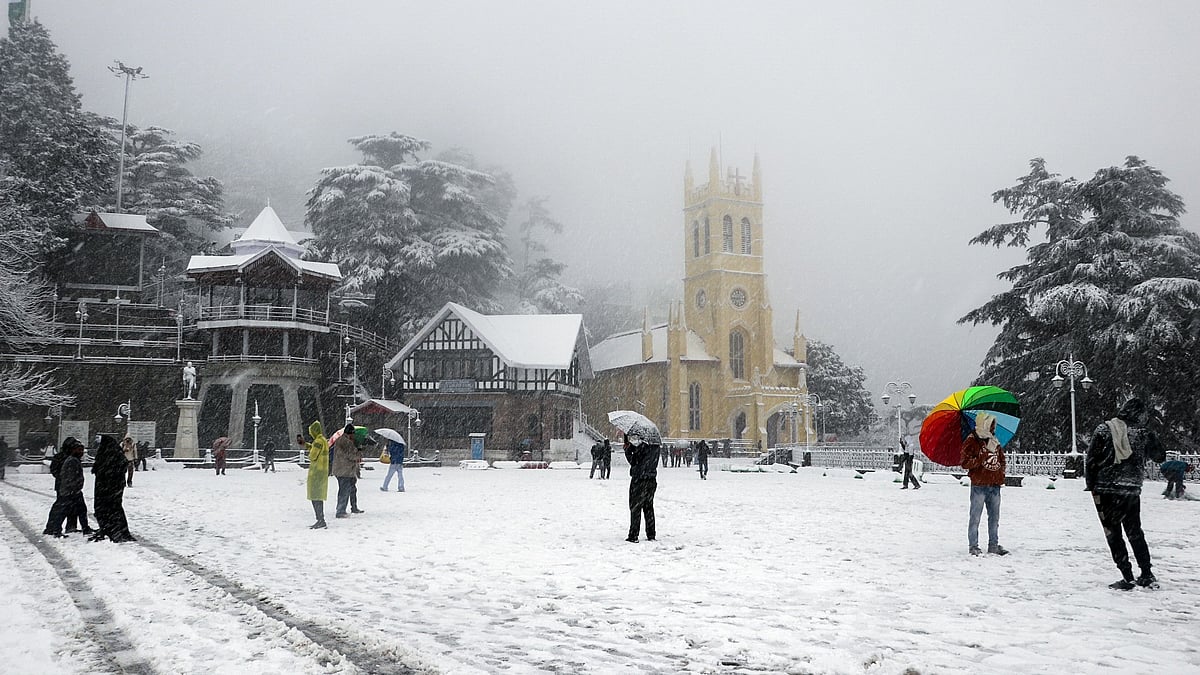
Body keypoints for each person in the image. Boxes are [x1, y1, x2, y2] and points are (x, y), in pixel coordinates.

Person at [1085, 397, 1166, 590]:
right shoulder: (1144, 433)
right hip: (1130, 489)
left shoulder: (1104, 429)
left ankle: (1127, 576)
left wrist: (1091, 485)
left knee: (1113, 534)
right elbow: (1160, 456)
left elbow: (1091, 460)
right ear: (1140, 414)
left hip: (1105, 489)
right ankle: (1146, 573)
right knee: (1135, 532)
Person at [961, 412, 1007, 556]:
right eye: (991, 425)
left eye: (994, 425)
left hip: (994, 485)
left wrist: (1001, 472)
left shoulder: (994, 440)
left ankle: (993, 545)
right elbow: (965, 463)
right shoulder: (972, 441)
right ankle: (973, 545)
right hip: (979, 485)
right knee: (975, 517)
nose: (993, 428)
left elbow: (1001, 458)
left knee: (994, 518)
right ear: (984, 425)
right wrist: (981, 457)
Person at [91, 434, 135, 542]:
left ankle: (110, 530)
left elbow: (105, 470)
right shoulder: (115, 454)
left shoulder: (107, 455)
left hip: (107, 487)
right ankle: (116, 530)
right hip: (113, 487)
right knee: (115, 508)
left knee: (107, 509)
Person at [44, 437, 87, 537]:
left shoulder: (69, 456)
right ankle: (55, 528)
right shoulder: (66, 457)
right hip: (65, 486)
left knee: (70, 507)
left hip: (68, 485)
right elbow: (56, 470)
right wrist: (64, 478)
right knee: (62, 508)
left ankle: (67, 526)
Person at [624, 431, 660, 543]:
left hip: (639, 480)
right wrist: (632, 447)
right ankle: (651, 534)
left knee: (635, 507)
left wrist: (627, 450)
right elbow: (643, 456)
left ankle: (633, 535)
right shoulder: (656, 448)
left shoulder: (642, 447)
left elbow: (634, 461)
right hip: (651, 480)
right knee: (648, 507)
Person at [331, 423, 362, 518]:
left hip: (344, 470)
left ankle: (353, 507)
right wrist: (359, 451)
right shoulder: (346, 442)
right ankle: (340, 511)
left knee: (351, 489)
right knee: (344, 490)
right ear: (350, 433)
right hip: (344, 470)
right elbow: (351, 455)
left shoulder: (341, 440)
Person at [305, 421, 330, 529]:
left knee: (315, 496)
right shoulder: (323, 440)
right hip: (323, 471)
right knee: (319, 497)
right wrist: (307, 445)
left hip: (316, 472)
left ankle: (320, 519)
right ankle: (320, 519)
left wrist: (309, 452)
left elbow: (312, 456)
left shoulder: (317, 441)